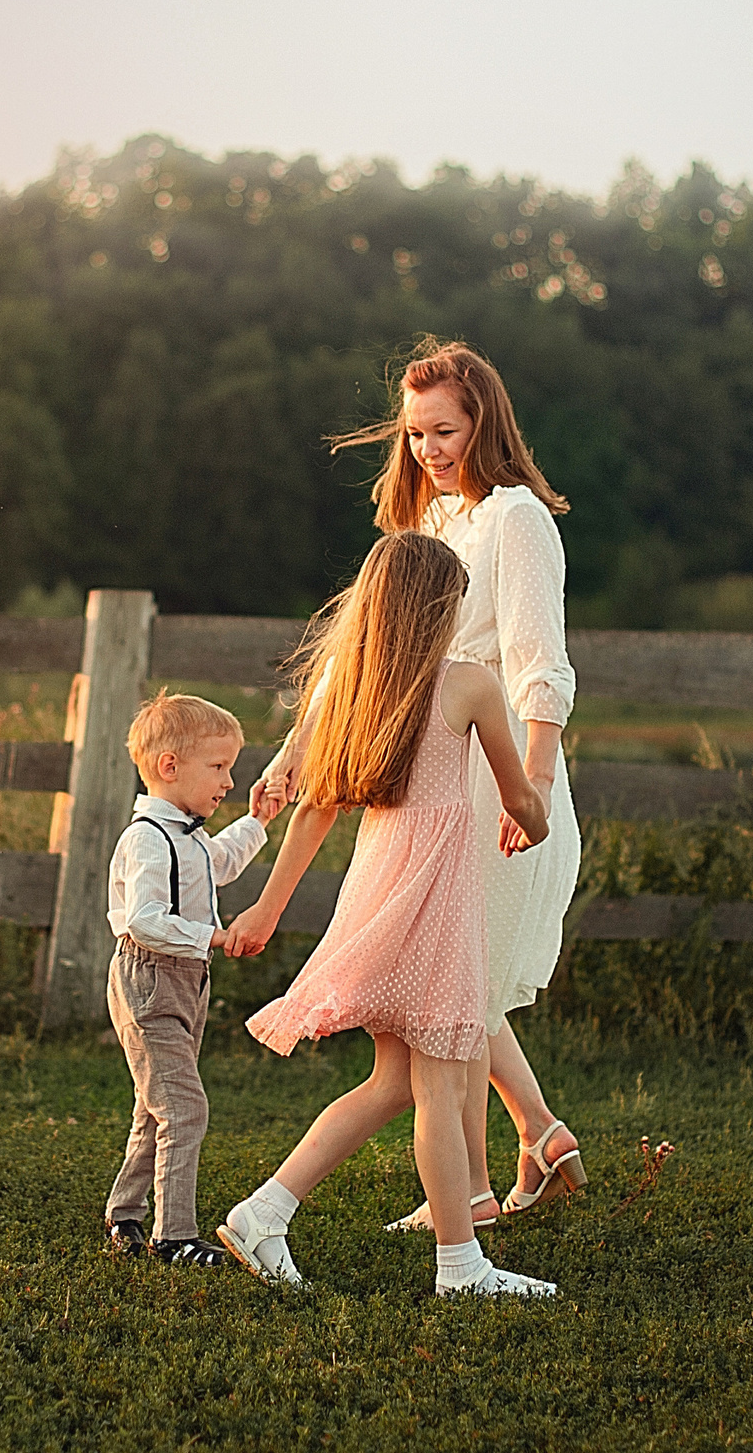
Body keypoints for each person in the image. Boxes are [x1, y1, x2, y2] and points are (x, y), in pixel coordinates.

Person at [254, 338, 589, 1227]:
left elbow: (537, 662)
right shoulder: (428, 526)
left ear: (484, 421)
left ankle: (491, 1175)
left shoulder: (517, 518)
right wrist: (296, 750)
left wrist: (540, 785)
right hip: (428, 763)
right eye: (414, 435)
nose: (428, 450)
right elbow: (367, 654)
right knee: (453, 984)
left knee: (456, 984)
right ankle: (513, 1156)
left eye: (443, 430)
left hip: (491, 770)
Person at [215, 533, 555, 1296]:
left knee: (398, 1079)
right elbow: (520, 797)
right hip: (433, 897)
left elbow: (315, 807)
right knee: (436, 1085)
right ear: (442, 609)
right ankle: (462, 1268)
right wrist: (535, 822)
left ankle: (264, 1212)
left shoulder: (349, 684)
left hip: (378, 888)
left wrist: (269, 908)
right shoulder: (467, 685)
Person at [101, 692, 274, 1266]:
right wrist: (215, 938)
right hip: (149, 980)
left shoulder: (189, 836)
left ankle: (125, 1214)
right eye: (218, 767)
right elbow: (144, 922)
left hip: (186, 982)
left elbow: (220, 864)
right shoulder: (147, 838)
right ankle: (173, 1235)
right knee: (183, 1107)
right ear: (170, 767)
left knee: (157, 1106)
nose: (228, 781)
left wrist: (259, 818)